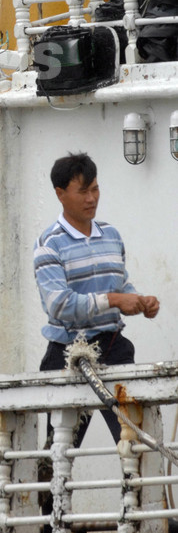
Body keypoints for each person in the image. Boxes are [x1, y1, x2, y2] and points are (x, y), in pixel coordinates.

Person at [34, 151, 160, 445]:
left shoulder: (111, 235)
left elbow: (120, 283)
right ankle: (48, 492)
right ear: (61, 194)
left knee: (134, 441)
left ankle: (135, 491)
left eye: (95, 189)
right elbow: (60, 305)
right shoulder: (48, 244)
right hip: (67, 353)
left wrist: (140, 302)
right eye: (83, 191)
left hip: (113, 347)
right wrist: (115, 300)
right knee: (60, 450)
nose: (92, 198)